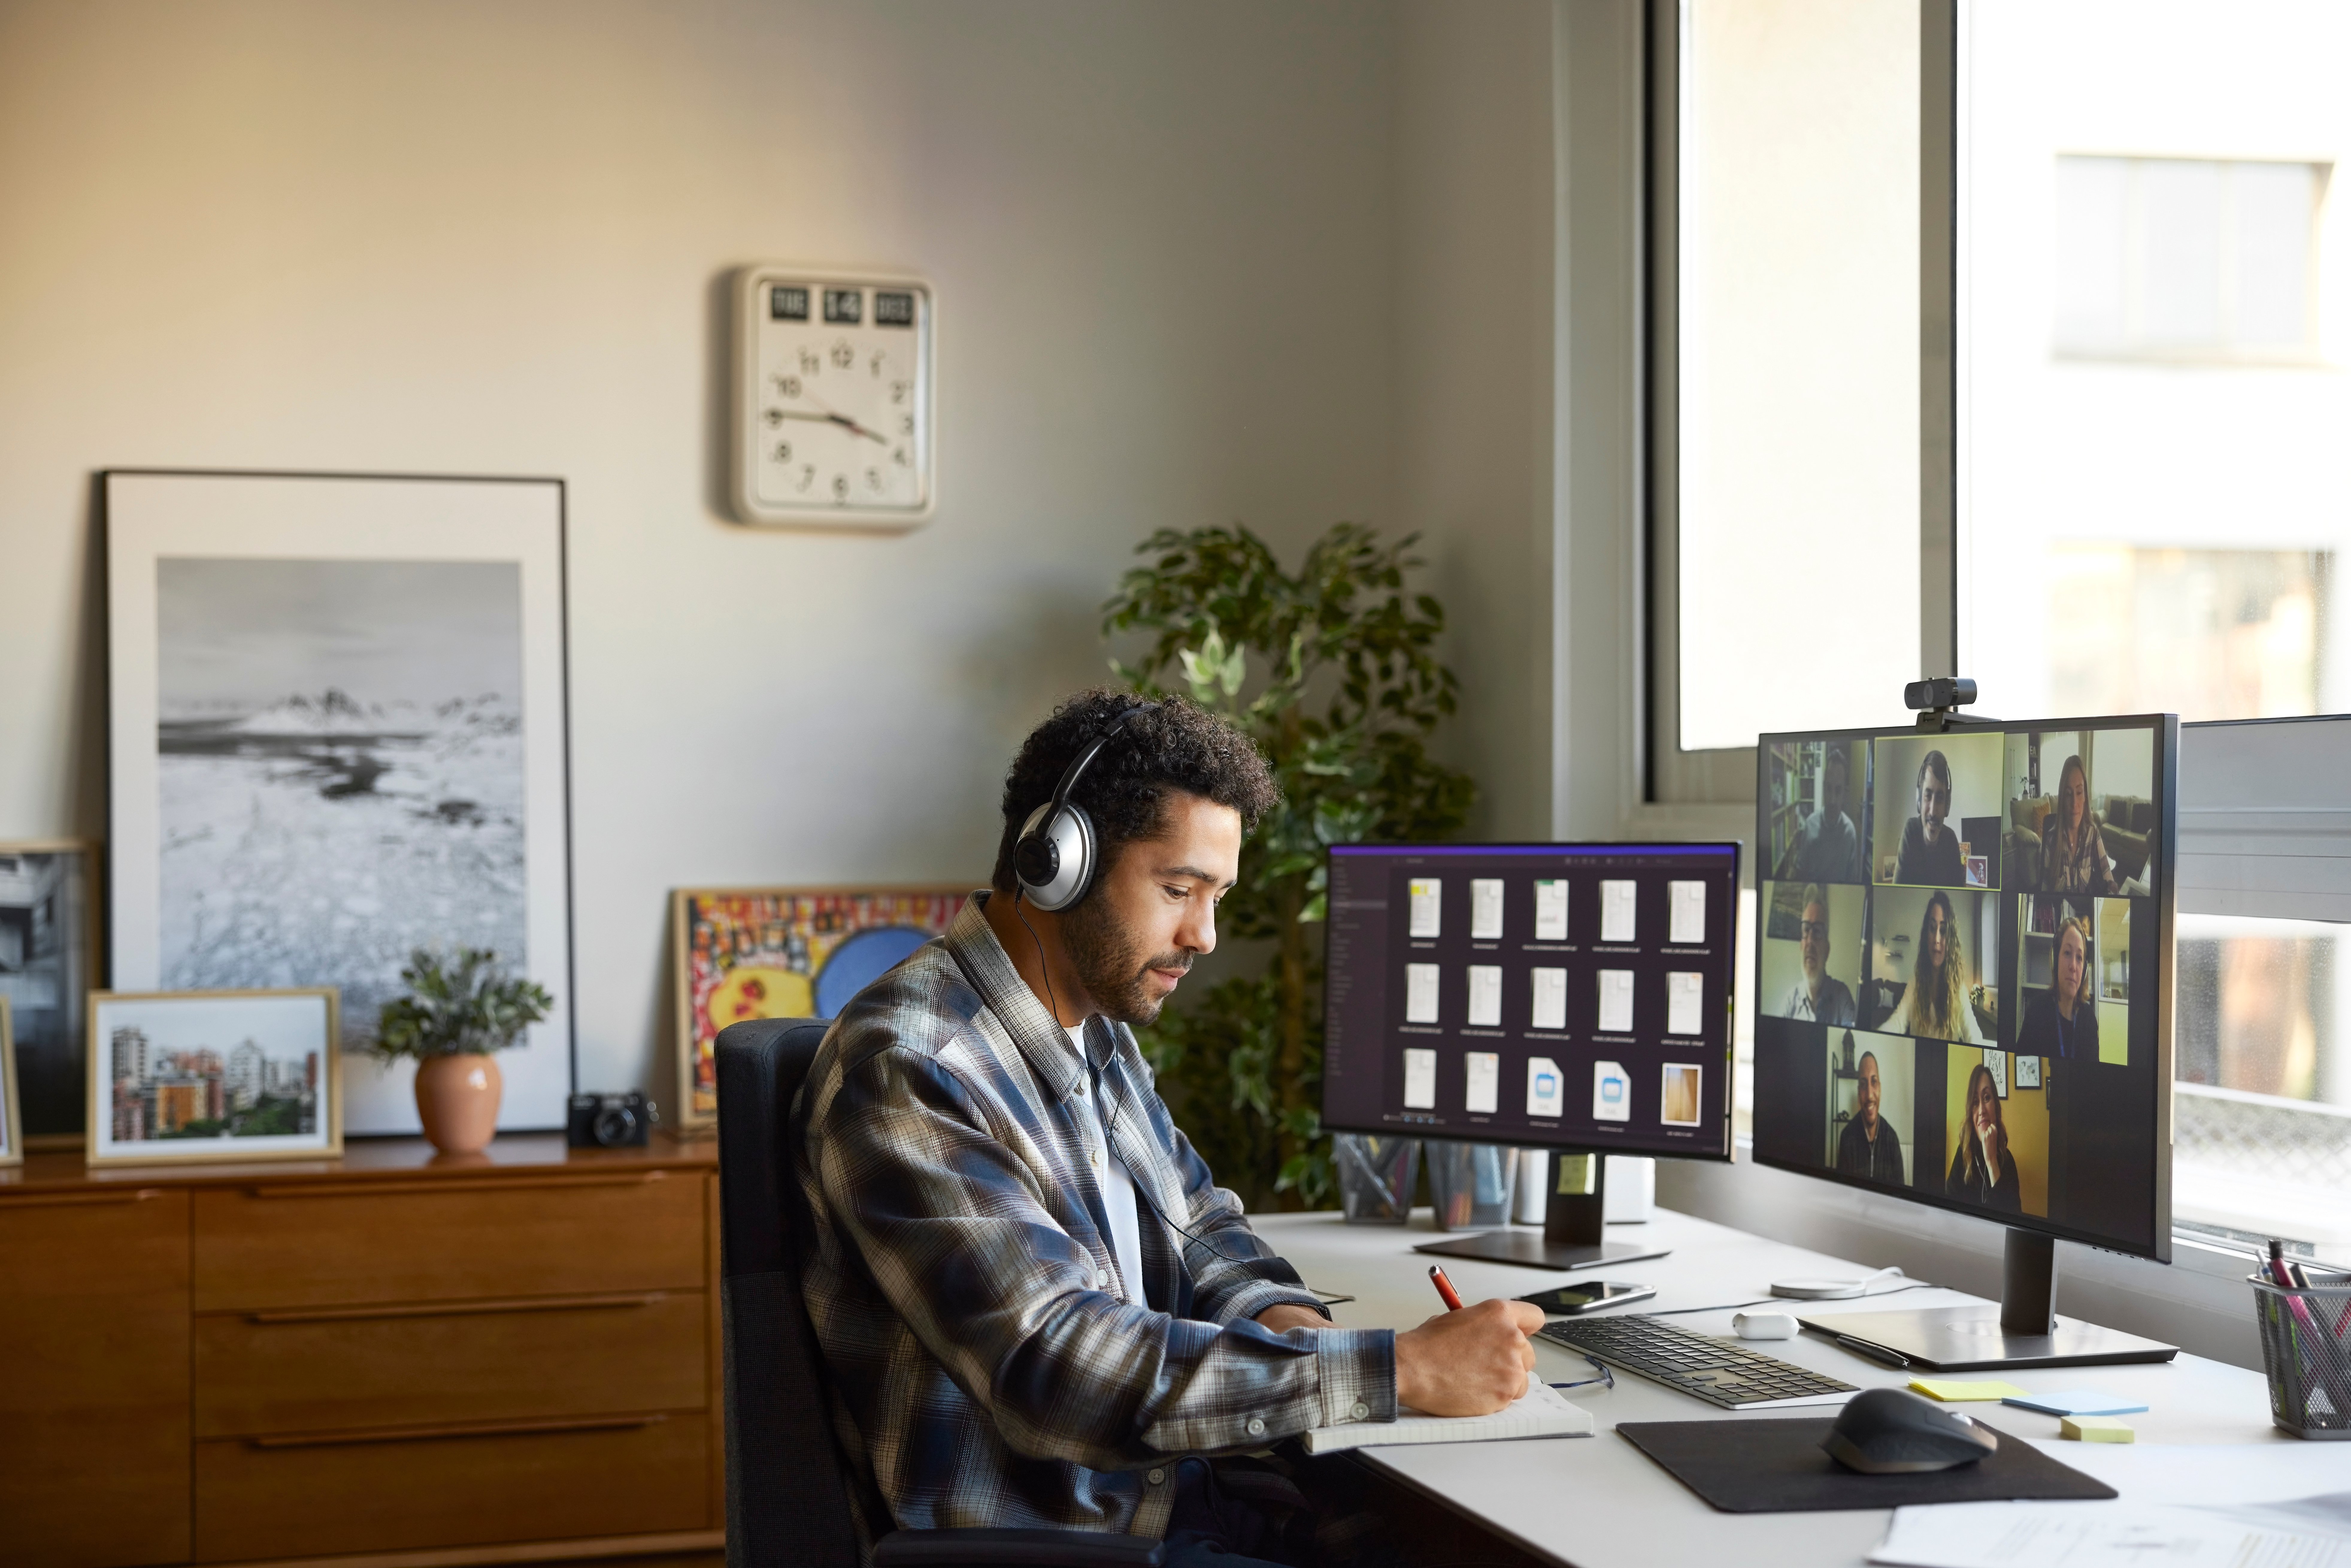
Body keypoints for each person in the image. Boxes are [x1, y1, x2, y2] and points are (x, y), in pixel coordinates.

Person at [793, 690, 1543, 1564]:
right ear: (1056, 863)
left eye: (1216, 895)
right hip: (1062, 1538)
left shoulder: (1091, 1027)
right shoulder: (913, 1067)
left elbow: (1199, 1226)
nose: (1205, 934)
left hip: (1169, 1492)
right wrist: (1395, 1369)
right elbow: (1053, 1364)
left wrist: (1301, 1334)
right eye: (1178, 889)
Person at [1893, 890, 1987, 1043]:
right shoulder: (1915, 984)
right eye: (1932, 928)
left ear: (1951, 939)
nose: (1937, 939)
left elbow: (1974, 1033)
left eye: (1943, 931)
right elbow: (1897, 1022)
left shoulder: (1959, 991)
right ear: (1926, 934)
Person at [1780, 744, 1864, 883]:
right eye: (1828, 789)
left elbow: (1852, 882)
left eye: (1838, 791)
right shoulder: (1810, 825)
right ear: (1824, 788)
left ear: (1845, 794)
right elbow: (1801, 873)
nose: (1832, 800)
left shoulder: (1850, 833)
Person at [2017, 915, 2097, 1059]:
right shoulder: (2036, 1012)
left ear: (2085, 970)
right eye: (2067, 953)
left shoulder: (2089, 1020)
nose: (2074, 966)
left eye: (2079, 958)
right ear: (2056, 960)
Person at [1776, 884, 1856, 1025]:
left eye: (1818, 931)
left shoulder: (1842, 997)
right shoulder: (1789, 1003)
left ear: (1827, 950)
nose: (1810, 942)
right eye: (1806, 930)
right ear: (1801, 946)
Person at [1946, 1061, 2020, 1211]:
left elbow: (2013, 1217)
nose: (1981, 1111)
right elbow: (1947, 1211)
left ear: (1996, 1106)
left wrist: (1992, 1162)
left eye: (1987, 1098)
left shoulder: (2008, 1161)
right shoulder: (1963, 1155)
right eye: (1975, 1102)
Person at [2039, 754, 2117, 896]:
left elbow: (2110, 883)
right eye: (2069, 794)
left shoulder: (2093, 834)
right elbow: (2044, 893)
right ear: (2062, 799)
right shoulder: (2052, 840)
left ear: (2085, 796)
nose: (2074, 803)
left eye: (2079, 792)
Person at [1894, 749, 1966, 887]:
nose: (1933, 812)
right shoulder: (1911, 831)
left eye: (1940, 798)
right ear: (1919, 801)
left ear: (1947, 805)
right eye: (1928, 796)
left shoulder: (1951, 840)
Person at [1834, 1045, 1904, 1184]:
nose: (1870, 1095)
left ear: (1880, 1089)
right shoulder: (1847, 1137)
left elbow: (1900, 1193)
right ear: (1859, 1092)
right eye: (1864, 1084)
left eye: (1874, 1082)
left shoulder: (1892, 1139)